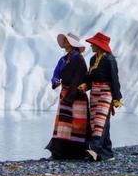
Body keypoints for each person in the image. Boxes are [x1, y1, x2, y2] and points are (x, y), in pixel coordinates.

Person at [79, 31, 123, 162]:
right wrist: (85, 86)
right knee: (97, 122)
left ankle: (93, 149)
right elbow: (90, 77)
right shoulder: (93, 59)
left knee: (100, 121)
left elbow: (114, 79)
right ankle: (107, 152)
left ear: (99, 46)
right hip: (95, 93)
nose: (91, 46)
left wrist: (117, 98)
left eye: (93, 44)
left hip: (106, 92)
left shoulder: (110, 60)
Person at [45, 32, 89, 159]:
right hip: (66, 94)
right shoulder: (63, 59)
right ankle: (60, 152)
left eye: (66, 40)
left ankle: (75, 153)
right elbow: (56, 74)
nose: (64, 42)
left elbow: (79, 79)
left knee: (76, 125)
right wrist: (55, 81)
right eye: (64, 40)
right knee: (63, 124)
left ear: (71, 44)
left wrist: (70, 96)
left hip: (76, 96)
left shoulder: (79, 59)